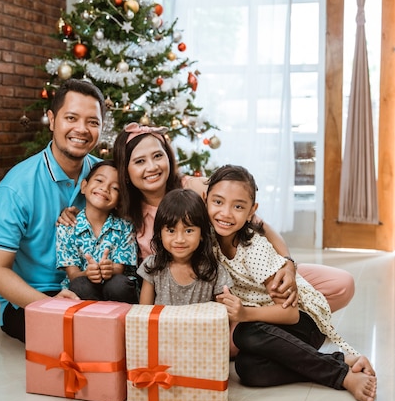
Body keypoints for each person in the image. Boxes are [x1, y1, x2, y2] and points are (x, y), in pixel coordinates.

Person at [61, 122, 354, 312]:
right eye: (139, 161)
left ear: (169, 157)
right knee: (231, 342)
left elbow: (257, 222)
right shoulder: (125, 212)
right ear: (126, 170)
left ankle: (276, 319)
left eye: (158, 156)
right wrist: (68, 213)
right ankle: (263, 326)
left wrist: (288, 264)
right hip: (202, 296)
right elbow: (96, 206)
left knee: (340, 284)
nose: (152, 167)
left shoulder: (197, 188)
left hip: (247, 273)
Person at [207, 164, 377, 401]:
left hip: (304, 321)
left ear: (251, 211)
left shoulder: (253, 250)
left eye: (238, 206)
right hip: (271, 327)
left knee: (247, 333)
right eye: (218, 202)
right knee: (248, 369)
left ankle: (342, 376)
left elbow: (289, 313)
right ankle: (338, 361)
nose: (225, 213)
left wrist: (244, 313)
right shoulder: (210, 235)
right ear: (205, 200)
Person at [0, 78, 105, 343]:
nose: (81, 129)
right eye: (71, 118)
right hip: (33, 299)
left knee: (129, 331)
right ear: (51, 120)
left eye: (93, 122)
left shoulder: (105, 179)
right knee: (86, 340)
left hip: (91, 286)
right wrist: (48, 305)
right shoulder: (16, 187)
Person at [56, 160, 139, 303]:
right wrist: (88, 272)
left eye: (115, 188)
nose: (105, 188)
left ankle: (121, 324)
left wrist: (110, 269)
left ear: (119, 201)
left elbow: (119, 268)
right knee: (80, 284)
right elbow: (73, 274)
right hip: (83, 287)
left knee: (118, 284)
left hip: (116, 289)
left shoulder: (125, 227)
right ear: (84, 186)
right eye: (99, 180)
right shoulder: (67, 227)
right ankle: (92, 324)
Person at [138, 188, 233, 305]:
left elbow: (223, 315)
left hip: (200, 324)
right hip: (161, 323)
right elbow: (143, 313)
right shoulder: (152, 266)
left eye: (188, 231)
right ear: (160, 234)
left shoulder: (214, 271)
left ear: (202, 234)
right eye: (171, 230)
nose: (179, 240)